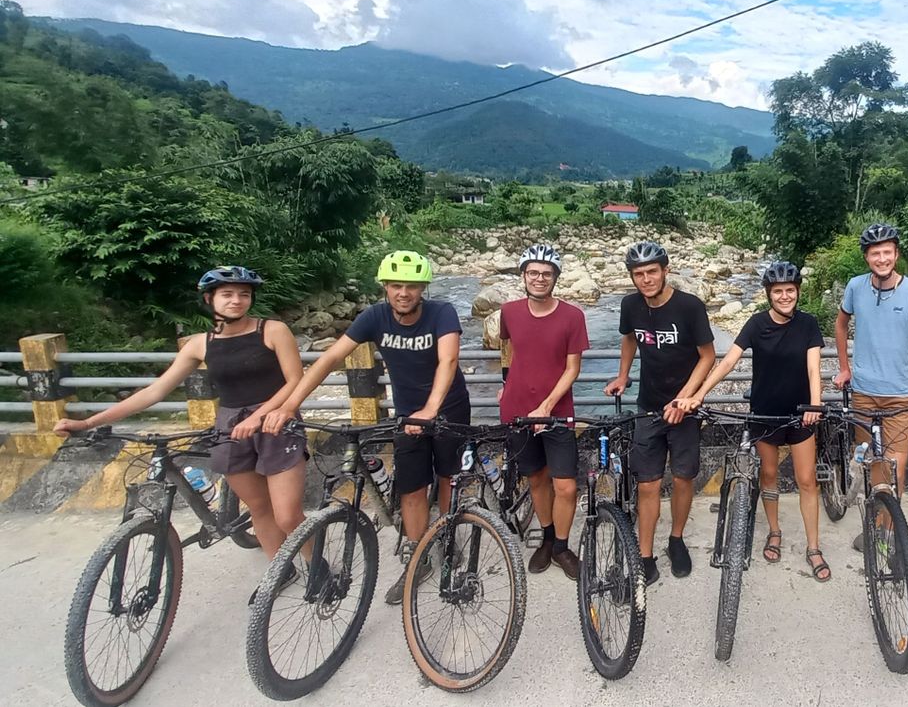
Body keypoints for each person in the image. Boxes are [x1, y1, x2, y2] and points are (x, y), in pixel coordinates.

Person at [54, 267, 308, 598]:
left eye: (244, 294)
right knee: (260, 509)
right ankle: (280, 570)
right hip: (231, 426)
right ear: (210, 299)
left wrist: (260, 416)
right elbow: (155, 392)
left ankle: (319, 569)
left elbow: (294, 380)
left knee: (288, 515)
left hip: (277, 421)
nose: (237, 300)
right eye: (227, 294)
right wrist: (89, 422)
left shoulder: (272, 330)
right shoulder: (199, 344)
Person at [270, 250, 471, 604]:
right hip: (407, 414)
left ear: (423, 288)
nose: (403, 293)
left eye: (411, 286)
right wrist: (290, 405)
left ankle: (447, 538)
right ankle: (418, 554)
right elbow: (332, 357)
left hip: (448, 408)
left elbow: (448, 359)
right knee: (411, 487)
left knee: (447, 478)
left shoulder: (442, 313)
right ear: (385, 287)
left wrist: (431, 408)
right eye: (396, 286)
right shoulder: (375, 317)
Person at [673, 261, 830, 582]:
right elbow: (728, 361)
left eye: (790, 290)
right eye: (778, 292)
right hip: (763, 413)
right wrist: (699, 394)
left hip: (801, 413)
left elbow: (814, 368)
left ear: (797, 292)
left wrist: (815, 404)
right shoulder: (756, 324)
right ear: (769, 295)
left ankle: (814, 547)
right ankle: (774, 532)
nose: (785, 296)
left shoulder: (809, 324)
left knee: (806, 481)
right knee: (769, 476)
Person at [832, 223, 908, 551]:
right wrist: (844, 367)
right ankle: (875, 521)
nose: (882, 258)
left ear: (896, 254)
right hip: (863, 393)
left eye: (887, 252)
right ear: (867, 257)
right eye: (875, 253)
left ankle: (886, 530)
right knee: (872, 461)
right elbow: (841, 324)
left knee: (896, 465)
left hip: (899, 395)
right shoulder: (856, 287)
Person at [605, 241, 714, 585]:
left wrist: (685, 399)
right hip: (648, 406)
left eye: (652, 271)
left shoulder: (689, 307)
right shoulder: (631, 305)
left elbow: (708, 356)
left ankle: (676, 539)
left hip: (685, 408)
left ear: (666, 271)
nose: (646, 279)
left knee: (683, 477)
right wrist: (624, 375)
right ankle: (646, 554)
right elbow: (629, 339)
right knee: (648, 482)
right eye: (639, 274)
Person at [498, 244, 587, 580]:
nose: (539, 279)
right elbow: (507, 348)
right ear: (523, 276)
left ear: (555, 278)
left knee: (565, 485)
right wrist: (505, 383)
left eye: (546, 274)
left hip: (557, 411)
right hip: (518, 409)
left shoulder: (572, 316)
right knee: (536, 477)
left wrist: (546, 407)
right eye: (533, 273)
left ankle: (563, 546)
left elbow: (573, 368)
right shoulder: (509, 311)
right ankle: (547, 538)